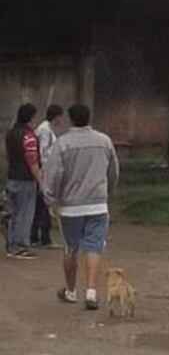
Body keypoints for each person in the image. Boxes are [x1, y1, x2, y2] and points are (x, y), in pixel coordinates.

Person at [43, 104, 119, 310]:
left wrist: (51, 199)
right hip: (97, 204)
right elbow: (113, 172)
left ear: (70, 119)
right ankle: (91, 291)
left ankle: (71, 290)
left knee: (71, 248)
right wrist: (106, 192)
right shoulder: (104, 141)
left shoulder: (63, 143)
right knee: (94, 247)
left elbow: (54, 174)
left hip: (71, 207)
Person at [5, 103, 42, 260]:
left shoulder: (10, 133)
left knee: (14, 214)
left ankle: (11, 244)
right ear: (31, 118)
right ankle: (20, 246)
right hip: (25, 180)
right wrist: (40, 180)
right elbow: (32, 162)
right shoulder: (29, 137)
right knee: (25, 214)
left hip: (12, 177)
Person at [32, 104, 64, 248]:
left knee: (40, 205)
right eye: (60, 117)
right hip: (45, 172)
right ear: (56, 117)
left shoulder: (46, 129)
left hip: (46, 171)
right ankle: (43, 237)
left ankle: (37, 236)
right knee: (43, 205)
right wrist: (45, 173)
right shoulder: (45, 130)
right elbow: (43, 152)